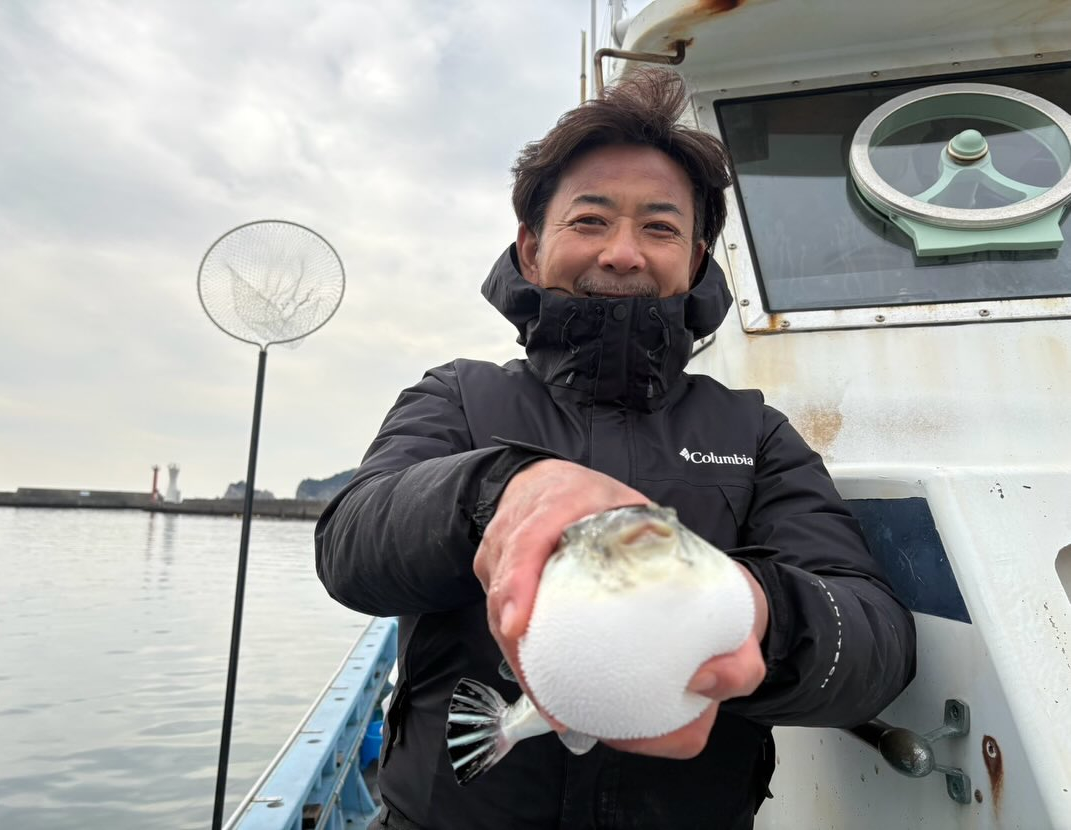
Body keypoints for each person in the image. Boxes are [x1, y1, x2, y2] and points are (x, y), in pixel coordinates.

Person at [316, 68, 916, 830]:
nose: (623, 252)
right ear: (531, 248)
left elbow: (876, 642)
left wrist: (758, 612)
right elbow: (349, 544)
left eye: (660, 228)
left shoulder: (755, 433)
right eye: (589, 221)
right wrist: (502, 492)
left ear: (695, 260)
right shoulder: (458, 398)